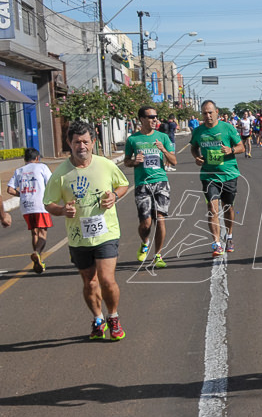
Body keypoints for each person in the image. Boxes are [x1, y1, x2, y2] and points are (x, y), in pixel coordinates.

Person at [43, 121, 130, 340]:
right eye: (76, 142)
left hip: (106, 232)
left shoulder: (106, 165)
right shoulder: (60, 174)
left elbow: (123, 184)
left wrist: (115, 196)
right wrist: (62, 210)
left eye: (85, 141)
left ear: (93, 142)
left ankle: (113, 316)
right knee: (89, 282)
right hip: (78, 237)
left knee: (107, 279)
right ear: (69, 143)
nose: (81, 146)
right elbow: (49, 203)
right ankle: (98, 318)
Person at [124, 104, 176, 267]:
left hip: (160, 182)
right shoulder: (133, 139)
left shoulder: (163, 137)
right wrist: (134, 161)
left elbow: (174, 161)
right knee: (145, 223)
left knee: (160, 219)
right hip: (142, 184)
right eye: (151, 117)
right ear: (142, 119)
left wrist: (163, 150)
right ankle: (145, 242)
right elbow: (126, 161)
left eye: (155, 117)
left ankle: (158, 255)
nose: (155, 120)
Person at [190, 99, 244, 257]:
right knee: (212, 209)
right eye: (204, 113)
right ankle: (216, 243)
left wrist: (231, 150)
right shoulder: (198, 131)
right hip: (209, 175)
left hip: (229, 174)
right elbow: (194, 147)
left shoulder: (227, 128)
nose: (207, 116)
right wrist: (197, 157)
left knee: (228, 208)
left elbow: (240, 147)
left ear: (217, 112)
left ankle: (229, 236)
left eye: (210, 112)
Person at [5, 148, 53, 273]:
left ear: (25, 159)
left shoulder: (19, 171)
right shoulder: (41, 167)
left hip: (26, 206)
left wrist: (22, 194)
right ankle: (37, 253)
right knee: (42, 233)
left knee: (34, 233)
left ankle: (39, 261)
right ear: (37, 158)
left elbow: (9, 189)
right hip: (40, 205)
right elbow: (51, 183)